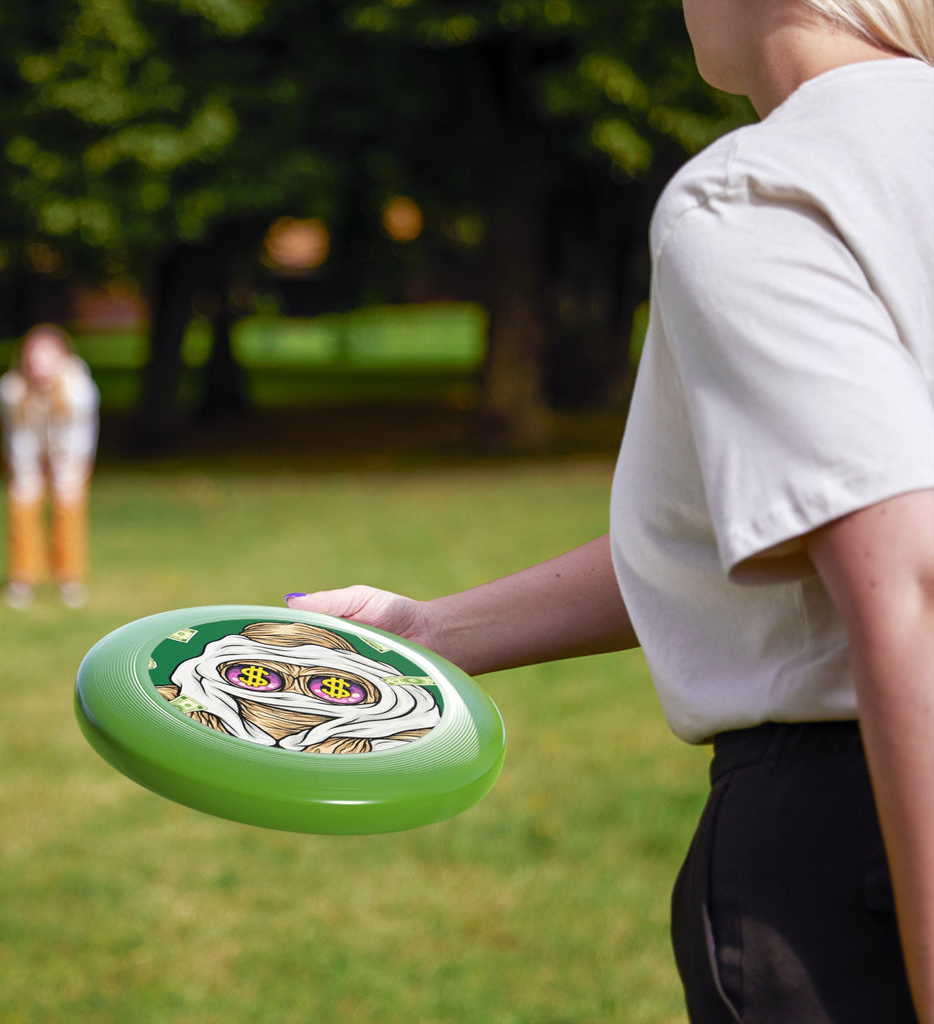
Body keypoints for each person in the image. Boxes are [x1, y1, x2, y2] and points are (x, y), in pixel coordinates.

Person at [284, 1, 934, 1021]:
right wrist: (433, 630)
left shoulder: (762, 191)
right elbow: (782, 522)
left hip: (861, 844)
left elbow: (909, 583)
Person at [0, 323, 100, 609]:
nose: (39, 367)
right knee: (22, 504)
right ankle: (22, 578)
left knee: (68, 507)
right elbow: (18, 436)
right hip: (27, 452)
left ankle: (69, 579)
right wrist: (28, 470)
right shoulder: (11, 389)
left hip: (70, 454)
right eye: (33, 359)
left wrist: (63, 466)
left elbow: (79, 436)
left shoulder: (79, 389)